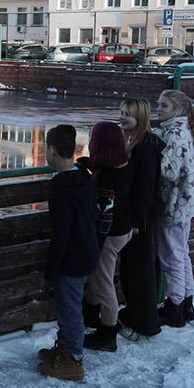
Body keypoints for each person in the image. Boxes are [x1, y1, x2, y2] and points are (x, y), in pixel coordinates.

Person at [37, 124, 99, 381]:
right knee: (70, 305)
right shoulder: (82, 176)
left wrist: (51, 269)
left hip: (72, 258)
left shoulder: (61, 188)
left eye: (45, 148)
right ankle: (65, 349)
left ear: (52, 150)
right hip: (87, 251)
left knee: (69, 308)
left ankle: (74, 359)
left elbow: (61, 232)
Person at [80, 121, 135, 353]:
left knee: (104, 283)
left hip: (109, 236)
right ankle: (91, 313)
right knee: (98, 276)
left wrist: (95, 243)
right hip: (124, 229)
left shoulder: (106, 178)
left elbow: (104, 213)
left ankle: (108, 332)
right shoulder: (125, 164)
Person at [116, 98, 166, 341]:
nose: (122, 117)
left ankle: (145, 325)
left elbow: (145, 189)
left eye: (128, 114)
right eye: (121, 112)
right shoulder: (136, 142)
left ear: (141, 117)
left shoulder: (145, 147)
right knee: (132, 268)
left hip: (141, 219)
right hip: (138, 216)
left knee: (139, 270)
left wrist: (137, 221)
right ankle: (136, 315)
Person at [154, 89, 194, 328]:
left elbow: (171, 170)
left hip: (173, 203)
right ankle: (186, 302)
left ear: (178, 110)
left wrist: (151, 152)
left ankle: (174, 306)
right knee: (182, 253)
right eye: (159, 104)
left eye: (164, 106)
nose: (158, 109)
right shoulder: (188, 131)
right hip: (186, 203)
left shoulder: (174, 133)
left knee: (171, 255)